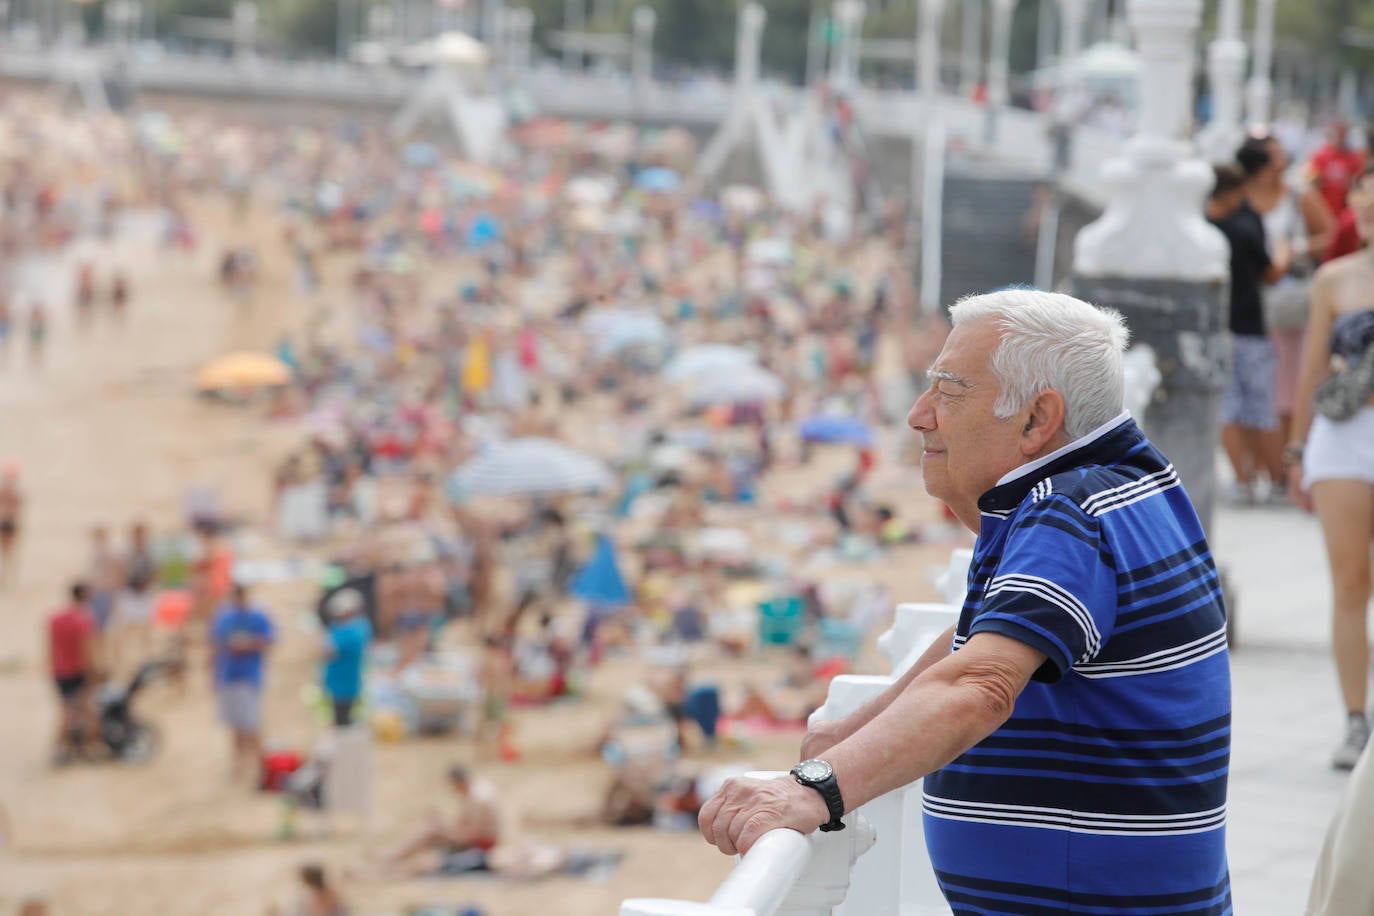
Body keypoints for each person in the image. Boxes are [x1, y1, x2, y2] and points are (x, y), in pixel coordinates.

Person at [697, 290, 1232, 914]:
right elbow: (979, 634)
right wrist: (850, 733)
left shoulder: (1070, 513)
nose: (919, 415)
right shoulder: (1125, 486)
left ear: (1037, 420)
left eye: (948, 392)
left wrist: (816, 789)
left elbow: (981, 681)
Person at [1286, 164, 1374, 770]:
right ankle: (1354, 718)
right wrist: (1296, 450)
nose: (1366, 210)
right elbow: (1312, 368)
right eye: (1362, 202)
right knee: (1349, 583)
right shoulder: (1334, 278)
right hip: (1344, 439)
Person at [1246, 132, 1336, 463]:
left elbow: (1331, 232)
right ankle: (1260, 465)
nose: (1280, 162)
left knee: (1289, 384)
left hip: (1290, 302)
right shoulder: (1240, 195)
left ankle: (1288, 461)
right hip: (1250, 301)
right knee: (1254, 390)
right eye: (1274, 156)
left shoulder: (1300, 194)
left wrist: (1295, 250)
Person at [1210, 146, 1290, 503]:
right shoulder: (1246, 224)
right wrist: (1286, 252)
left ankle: (1242, 480)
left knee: (1228, 411)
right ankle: (1275, 481)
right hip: (1250, 330)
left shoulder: (1204, 230)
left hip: (1218, 329)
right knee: (1261, 409)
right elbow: (1270, 273)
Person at [365, 765, 501, 875]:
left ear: (458, 782)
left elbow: (469, 835)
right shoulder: (479, 791)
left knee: (430, 829)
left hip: (480, 845)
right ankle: (393, 856)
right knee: (432, 826)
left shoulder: (477, 799)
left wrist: (442, 828)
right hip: (479, 839)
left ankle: (393, 857)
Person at [210, 583, 275, 780]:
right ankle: (239, 764)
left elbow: (270, 640)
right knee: (236, 725)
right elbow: (216, 646)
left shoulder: (257, 616)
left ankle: (260, 765)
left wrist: (248, 644)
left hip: (248, 676)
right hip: (229, 675)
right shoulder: (224, 617)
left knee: (251, 725)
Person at [48, 582, 100, 765]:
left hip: (59, 670)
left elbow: (50, 646)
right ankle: (86, 749)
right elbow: (88, 650)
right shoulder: (83, 620)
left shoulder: (56, 618)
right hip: (77, 670)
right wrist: (94, 673)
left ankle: (62, 748)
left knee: (66, 711)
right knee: (85, 711)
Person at [320, 588, 371, 727]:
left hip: (346, 680)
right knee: (339, 715)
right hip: (337, 678)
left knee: (343, 717)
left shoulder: (355, 630)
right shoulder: (342, 626)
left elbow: (328, 652)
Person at [1309, 119, 1365, 218]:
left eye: (1343, 133)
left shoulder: (1353, 158)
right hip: (1323, 207)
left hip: (1342, 210)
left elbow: (1357, 184)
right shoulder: (1322, 155)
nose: (1341, 136)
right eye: (1338, 132)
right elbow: (1312, 182)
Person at [0, 461, 22, 586]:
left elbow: (16, 511)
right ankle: (6, 576)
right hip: (6, 522)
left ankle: (8, 576)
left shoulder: (13, 494)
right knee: (7, 552)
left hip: (8, 523)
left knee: (9, 552)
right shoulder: (7, 493)